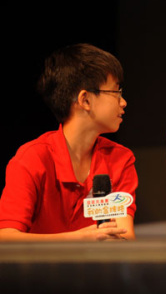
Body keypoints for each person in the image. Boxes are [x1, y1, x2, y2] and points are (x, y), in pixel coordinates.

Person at [0, 43, 137, 241]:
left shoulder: (120, 159)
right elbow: (6, 239)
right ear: (85, 100)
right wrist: (76, 241)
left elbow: (124, 237)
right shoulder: (31, 159)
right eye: (116, 92)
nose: (123, 102)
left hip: (99, 272)